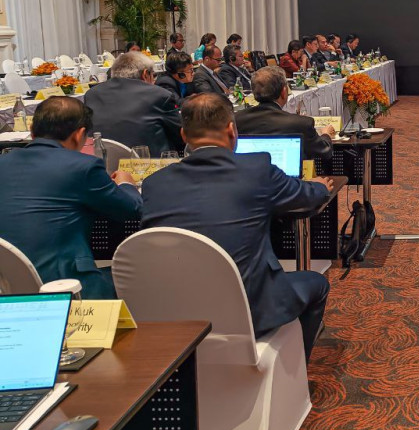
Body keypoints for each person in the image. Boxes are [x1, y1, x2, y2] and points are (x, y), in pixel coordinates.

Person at [140, 94, 335, 361]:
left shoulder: (154, 183)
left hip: (172, 312)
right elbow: (306, 196)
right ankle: (295, 368)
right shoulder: (257, 169)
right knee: (317, 283)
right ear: (232, 130)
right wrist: (320, 187)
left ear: (184, 135)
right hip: (250, 309)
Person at [0, 98, 141, 299]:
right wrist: (126, 183)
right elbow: (131, 210)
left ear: (32, 131)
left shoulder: (3, 163)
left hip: (7, 287)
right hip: (66, 286)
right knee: (137, 279)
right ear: (79, 134)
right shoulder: (84, 167)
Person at [84, 51, 184, 155]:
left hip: (102, 161)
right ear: (145, 74)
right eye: (153, 75)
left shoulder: (91, 95)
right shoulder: (159, 95)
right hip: (148, 162)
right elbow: (180, 135)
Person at [235, 67, 337, 159]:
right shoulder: (301, 123)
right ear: (284, 92)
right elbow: (324, 151)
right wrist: (326, 134)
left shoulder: (236, 119)